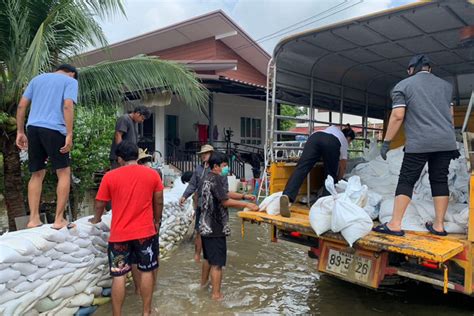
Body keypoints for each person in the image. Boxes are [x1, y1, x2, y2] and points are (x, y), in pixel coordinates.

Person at [373, 54, 458, 237]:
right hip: (445, 142)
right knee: (439, 180)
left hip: (420, 141)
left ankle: (395, 224)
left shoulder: (403, 85)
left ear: (411, 70)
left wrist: (386, 142)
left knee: (406, 180)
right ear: (430, 69)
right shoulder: (446, 87)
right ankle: (439, 226)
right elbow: (450, 116)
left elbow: (397, 116)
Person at [90, 141, 163, 316]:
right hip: (145, 233)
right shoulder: (152, 175)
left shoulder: (110, 176)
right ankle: (146, 312)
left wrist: (96, 219)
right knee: (146, 271)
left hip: (119, 236)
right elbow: (159, 200)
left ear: (120, 158)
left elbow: (100, 203)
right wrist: (157, 221)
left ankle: (117, 314)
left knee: (119, 275)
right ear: (137, 156)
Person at [16, 64, 78, 229]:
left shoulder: (37, 80)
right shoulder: (70, 81)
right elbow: (67, 105)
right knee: (63, 171)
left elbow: (22, 105)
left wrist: (20, 131)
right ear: (71, 74)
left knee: (37, 173)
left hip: (33, 128)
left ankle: (34, 219)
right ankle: (59, 219)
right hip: (55, 129)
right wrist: (69, 134)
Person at [199, 152, 259, 300]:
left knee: (208, 259)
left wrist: (244, 196)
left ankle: (203, 285)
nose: (227, 168)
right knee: (217, 264)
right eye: (224, 166)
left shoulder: (208, 177)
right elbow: (225, 201)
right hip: (215, 227)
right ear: (216, 166)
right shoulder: (216, 179)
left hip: (205, 226)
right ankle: (216, 295)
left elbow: (225, 193)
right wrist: (246, 205)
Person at [279, 124, 356, 217]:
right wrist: (339, 179)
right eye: (350, 142)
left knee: (301, 168)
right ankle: (324, 206)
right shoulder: (343, 139)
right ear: (348, 138)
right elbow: (342, 165)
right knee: (330, 176)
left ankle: (288, 196)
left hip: (314, 137)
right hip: (331, 142)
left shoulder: (331, 129)